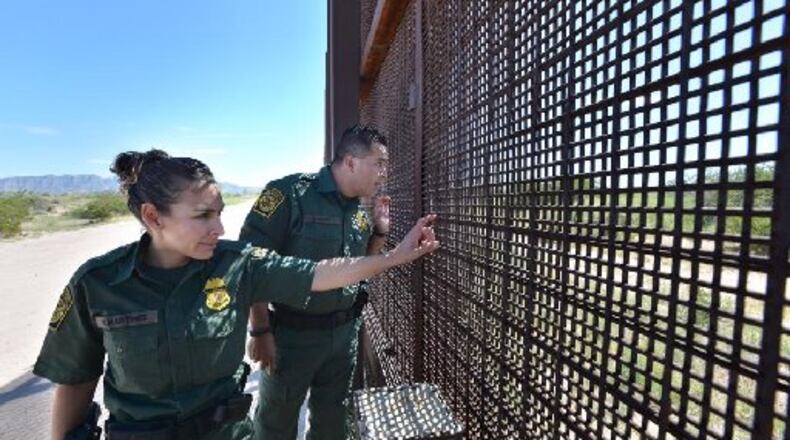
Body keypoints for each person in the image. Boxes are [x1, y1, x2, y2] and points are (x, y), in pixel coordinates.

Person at [33, 149, 439, 440]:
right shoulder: (98, 284)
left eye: (220, 212)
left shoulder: (237, 264)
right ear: (153, 216)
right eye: (203, 216)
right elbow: (76, 380)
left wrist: (394, 257)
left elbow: (318, 272)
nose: (219, 228)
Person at [240, 125, 392, 439]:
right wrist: (260, 329)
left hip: (343, 337)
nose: (383, 174)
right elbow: (252, 264)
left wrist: (379, 233)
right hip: (292, 339)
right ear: (350, 162)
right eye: (379, 163)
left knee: (333, 424)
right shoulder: (289, 194)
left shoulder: (359, 213)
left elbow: (361, 268)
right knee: (274, 424)